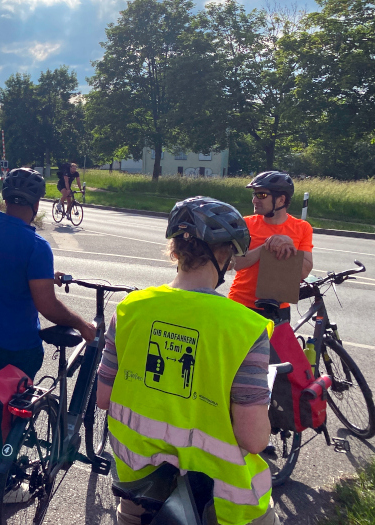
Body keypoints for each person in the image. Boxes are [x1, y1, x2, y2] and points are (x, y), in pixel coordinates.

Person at [96, 196, 279, 525]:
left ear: (176, 251)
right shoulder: (244, 328)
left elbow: (103, 397)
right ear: (222, 255)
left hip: (140, 490)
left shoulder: (129, 310)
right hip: (222, 504)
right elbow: (253, 439)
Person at [0, 167, 96, 504]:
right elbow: (47, 306)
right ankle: (3, 483)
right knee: (13, 411)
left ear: (4, 197)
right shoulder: (35, 245)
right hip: (18, 345)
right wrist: (83, 325)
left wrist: (40, 275)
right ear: (37, 203)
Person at [229, 171, 313, 322]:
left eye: (261, 195)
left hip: (278, 308)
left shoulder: (302, 228)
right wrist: (265, 247)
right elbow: (235, 264)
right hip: (241, 303)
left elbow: (304, 273)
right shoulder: (245, 224)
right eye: (254, 195)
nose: (254, 200)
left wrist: (289, 245)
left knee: (276, 347)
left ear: (281, 200)